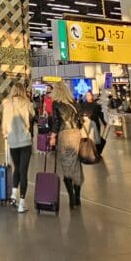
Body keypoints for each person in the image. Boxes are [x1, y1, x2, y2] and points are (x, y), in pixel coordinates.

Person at [49, 80, 84, 209]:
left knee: (66, 167)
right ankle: (78, 197)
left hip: (64, 136)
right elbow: (80, 122)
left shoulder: (56, 103)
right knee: (76, 165)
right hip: (76, 134)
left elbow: (57, 122)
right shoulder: (74, 103)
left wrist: (53, 136)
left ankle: (71, 199)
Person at [2, 83, 35, 213]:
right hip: (25, 141)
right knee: (24, 171)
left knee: (17, 168)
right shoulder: (27, 103)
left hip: (13, 142)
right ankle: (21, 203)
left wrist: (6, 134)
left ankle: (13, 195)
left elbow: (4, 123)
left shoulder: (7, 104)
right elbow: (32, 117)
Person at [80, 91, 108, 155]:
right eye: (87, 95)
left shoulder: (96, 105)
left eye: (89, 95)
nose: (88, 96)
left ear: (92, 96)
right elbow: (80, 114)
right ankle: (87, 151)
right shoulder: (82, 105)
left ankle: (96, 152)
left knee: (96, 138)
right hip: (86, 124)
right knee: (87, 138)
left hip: (95, 123)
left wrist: (104, 122)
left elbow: (100, 114)